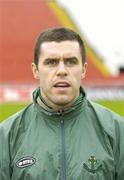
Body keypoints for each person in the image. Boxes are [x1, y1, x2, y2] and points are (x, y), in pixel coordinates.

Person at [0, 27, 124, 180]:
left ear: (84, 69)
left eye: (71, 62)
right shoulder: (6, 135)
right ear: (36, 70)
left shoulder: (117, 130)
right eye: (51, 62)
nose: (62, 71)